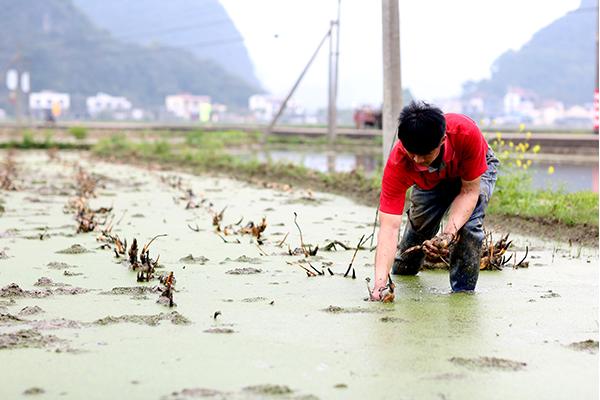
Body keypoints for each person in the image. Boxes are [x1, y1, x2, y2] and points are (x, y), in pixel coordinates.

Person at [370, 101, 499, 300]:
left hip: (472, 171)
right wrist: (379, 285)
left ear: (442, 140)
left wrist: (448, 234)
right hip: (428, 180)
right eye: (411, 153)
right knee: (419, 228)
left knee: (468, 228)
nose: (417, 161)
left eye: (424, 154)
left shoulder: (466, 133)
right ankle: (403, 271)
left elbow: (468, 193)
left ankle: (462, 294)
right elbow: (389, 227)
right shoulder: (401, 162)